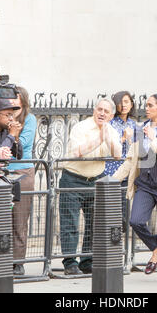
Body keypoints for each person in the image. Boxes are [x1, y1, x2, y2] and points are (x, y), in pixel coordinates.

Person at [113, 94, 157, 282]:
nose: (146, 108)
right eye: (146, 105)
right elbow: (130, 161)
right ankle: (155, 250)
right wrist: (111, 180)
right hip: (145, 184)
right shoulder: (139, 130)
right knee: (135, 221)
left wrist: (154, 139)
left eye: (151, 105)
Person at [59, 98, 122, 275]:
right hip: (73, 178)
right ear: (94, 110)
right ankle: (70, 263)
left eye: (106, 111)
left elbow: (117, 155)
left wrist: (107, 138)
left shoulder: (111, 130)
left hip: (95, 179)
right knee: (70, 223)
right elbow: (77, 152)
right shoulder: (81, 127)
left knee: (94, 224)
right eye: (99, 109)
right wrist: (99, 138)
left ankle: (87, 261)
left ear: (111, 115)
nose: (102, 113)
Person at [7, 86, 37, 276]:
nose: (12, 106)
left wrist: (12, 134)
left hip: (22, 171)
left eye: (16, 101)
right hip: (2, 171)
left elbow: (23, 144)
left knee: (19, 219)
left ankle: (18, 262)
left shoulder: (30, 119)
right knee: (1, 219)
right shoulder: (1, 116)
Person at [103, 91, 136, 232]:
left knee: (123, 210)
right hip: (110, 171)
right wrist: (123, 138)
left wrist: (130, 139)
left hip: (126, 172)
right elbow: (106, 146)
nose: (123, 105)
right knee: (109, 208)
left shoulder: (133, 124)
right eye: (120, 102)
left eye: (127, 102)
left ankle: (118, 241)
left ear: (132, 104)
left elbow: (136, 147)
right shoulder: (110, 122)